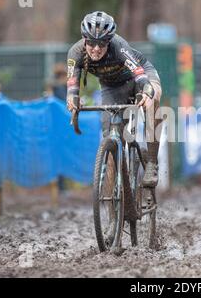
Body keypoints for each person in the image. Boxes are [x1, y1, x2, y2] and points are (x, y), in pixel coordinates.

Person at [66, 11, 162, 187]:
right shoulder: (76, 53)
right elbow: (72, 87)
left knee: (153, 98)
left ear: (109, 41)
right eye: (92, 43)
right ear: (84, 39)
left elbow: (140, 76)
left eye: (102, 44)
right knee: (110, 134)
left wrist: (148, 91)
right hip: (112, 87)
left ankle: (152, 163)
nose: (96, 49)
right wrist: (73, 101)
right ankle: (120, 186)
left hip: (140, 75)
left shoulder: (118, 45)